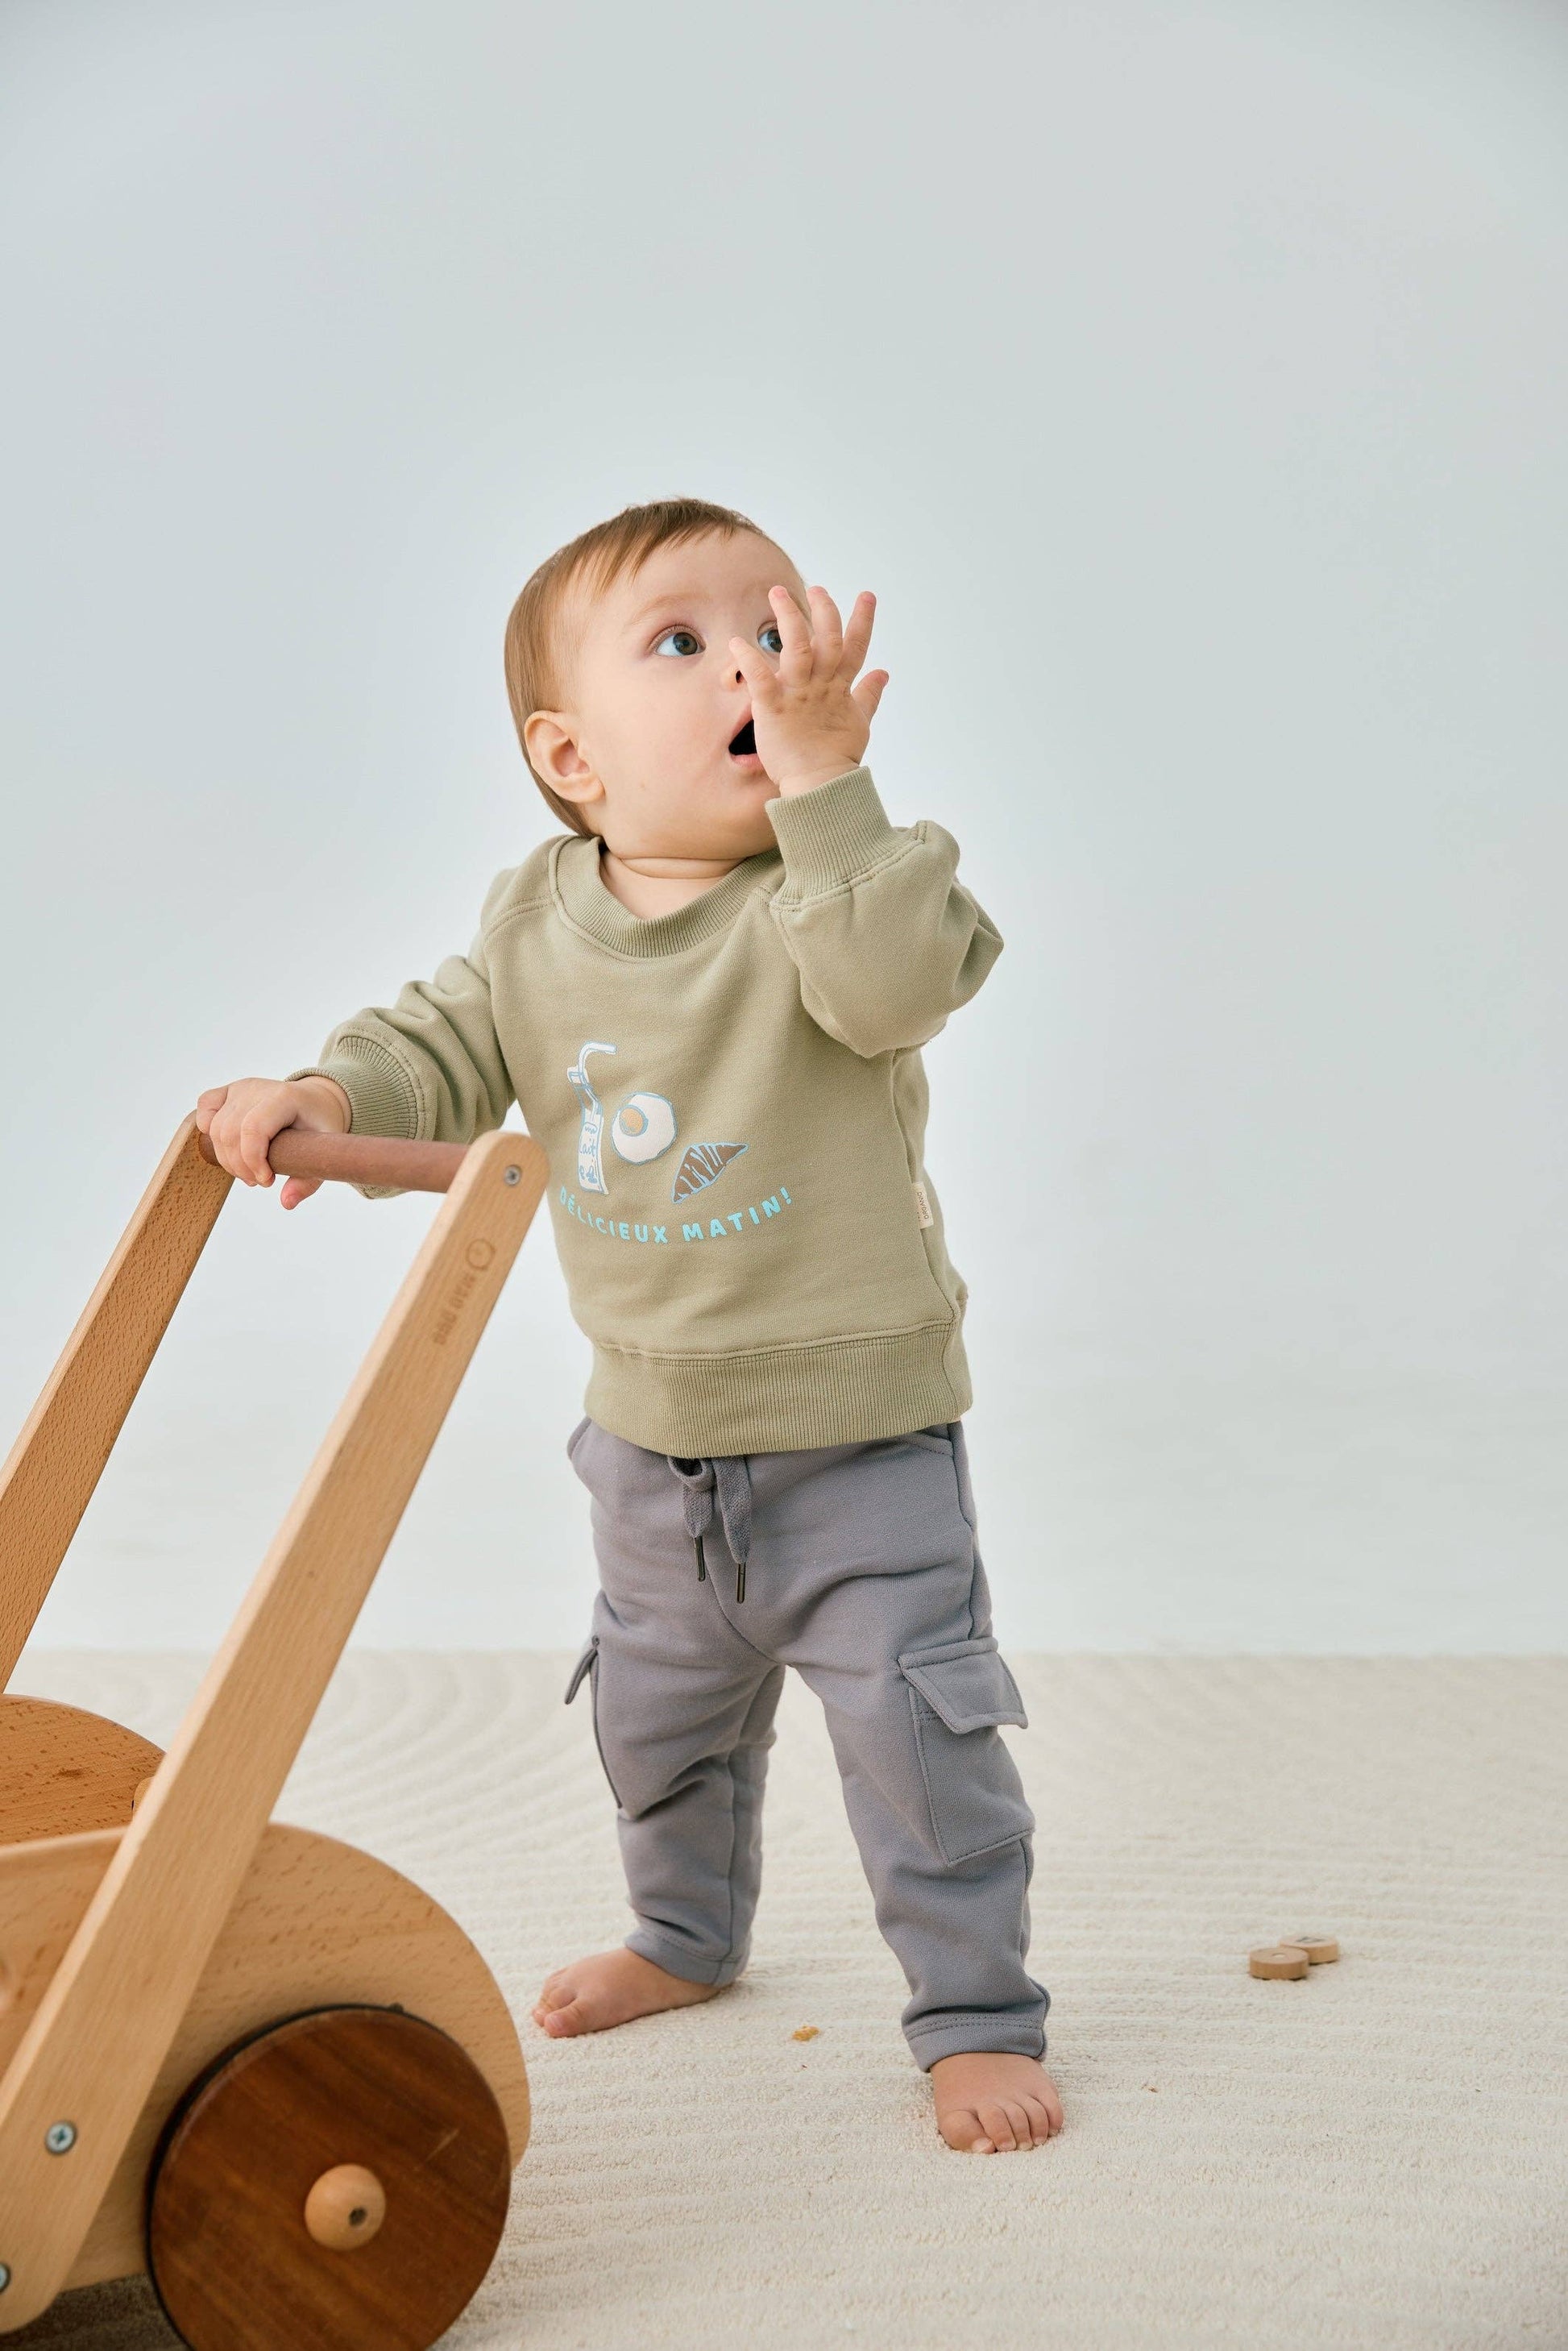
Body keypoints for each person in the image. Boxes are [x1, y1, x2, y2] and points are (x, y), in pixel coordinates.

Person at [197, 498, 1062, 2157]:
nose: (752, 656)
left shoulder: (840, 888)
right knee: (655, 1732)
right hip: (652, 1455)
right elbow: (439, 1040)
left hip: (860, 1447)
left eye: (771, 623)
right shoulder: (536, 920)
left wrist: (828, 792)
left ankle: (971, 2015)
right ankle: (681, 1935)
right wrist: (321, 1089)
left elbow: (895, 985)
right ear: (573, 757)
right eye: (684, 640)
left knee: (916, 1739)